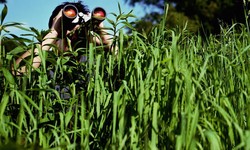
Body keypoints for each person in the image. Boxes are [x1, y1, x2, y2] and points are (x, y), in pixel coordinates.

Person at [13, 1, 114, 75]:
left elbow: (124, 68)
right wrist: (53, 32)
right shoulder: (43, 54)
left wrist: (103, 35)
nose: (73, 34)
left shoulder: (96, 57)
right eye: (67, 27)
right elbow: (16, 76)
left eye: (80, 27)